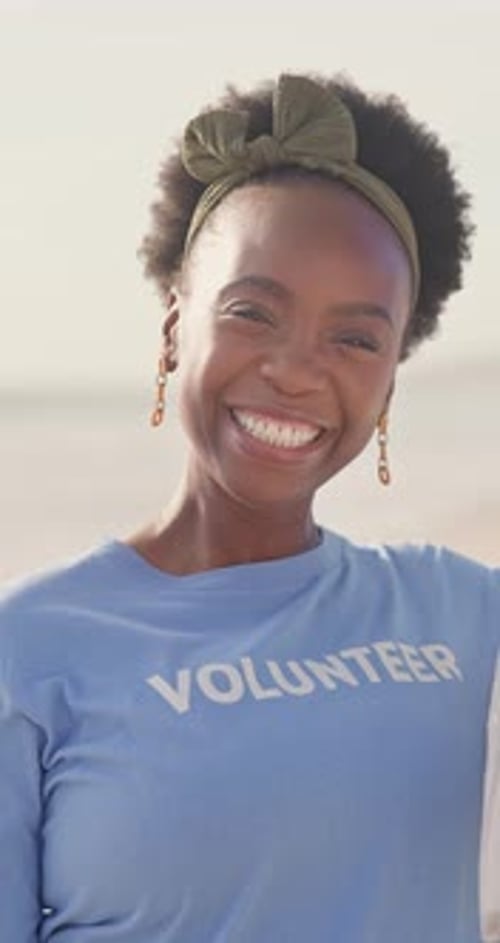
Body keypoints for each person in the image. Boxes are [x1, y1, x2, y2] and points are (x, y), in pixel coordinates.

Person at [0, 72, 498, 943]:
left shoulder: (461, 613)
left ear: (389, 380)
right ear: (173, 325)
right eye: (252, 312)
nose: (298, 371)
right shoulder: (30, 648)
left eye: (354, 338)